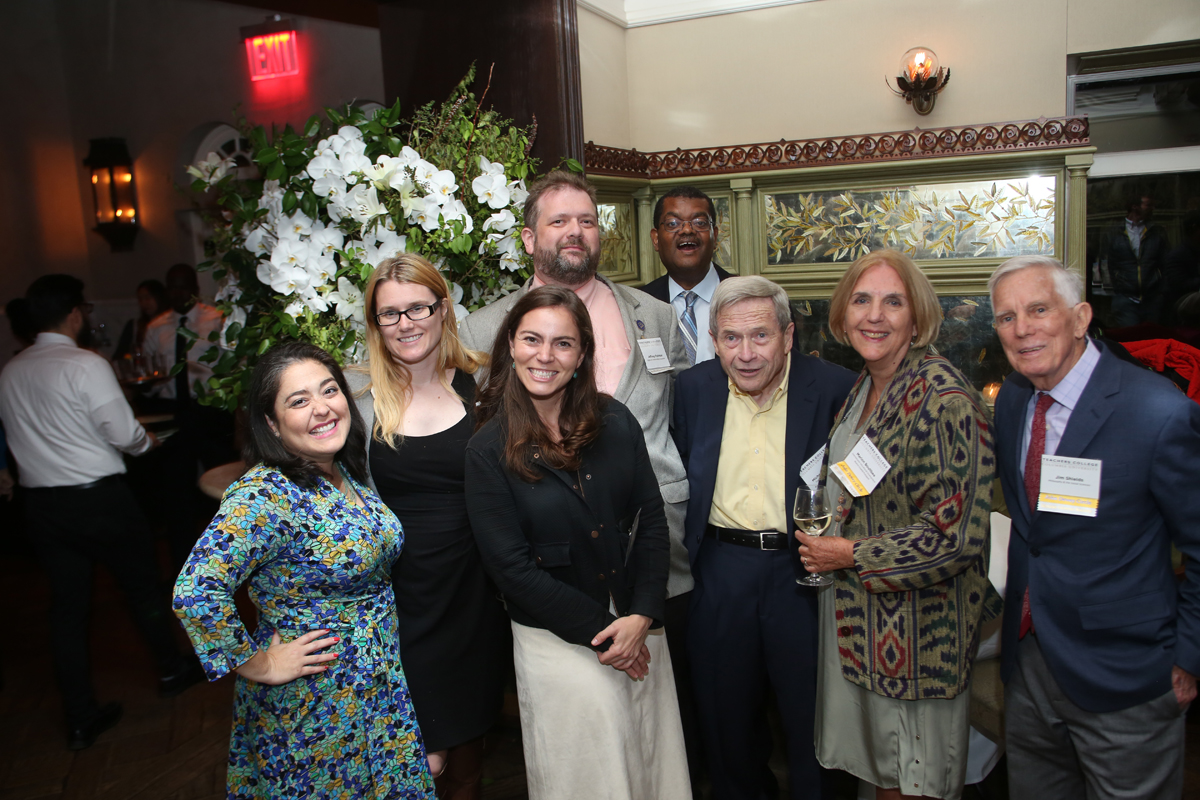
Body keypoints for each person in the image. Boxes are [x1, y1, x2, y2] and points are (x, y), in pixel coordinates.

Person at [457, 169, 702, 789]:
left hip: (656, 557)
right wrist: (605, 628)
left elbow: (681, 417)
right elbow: (506, 555)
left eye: (586, 220)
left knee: (659, 744)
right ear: (528, 236)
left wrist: (641, 612)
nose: (574, 232)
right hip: (558, 588)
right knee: (589, 759)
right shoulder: (480, 333)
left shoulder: (652, 316)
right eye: (559, 220)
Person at [173, 341, 435, 800]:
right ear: (272, 424)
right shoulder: (266, 494)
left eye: (329, 390)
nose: (321, 408)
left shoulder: (339, 471)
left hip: (375, 692)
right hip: (316, 707)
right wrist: (260, 664)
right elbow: (196, 591)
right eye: (299, 400)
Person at [989, 255, 1200, 799]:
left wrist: (1187, 660)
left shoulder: (1158, 412)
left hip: (1127, 674)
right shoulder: (1013, 398)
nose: (1022, 329)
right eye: (1006, 317)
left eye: (1039, 309)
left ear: (1080, 317)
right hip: (1031, 661)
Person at [794, 251, 997, 800]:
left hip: (917, 640)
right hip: (861, 629)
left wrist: (851, 556)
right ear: (842, 313)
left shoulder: (944, 400)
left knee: (909, 784)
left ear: (918, 316)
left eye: (893, 301)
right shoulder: (867, 386)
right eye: (861, 300)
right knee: (879, 781)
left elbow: (955, 538)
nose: (874, 316)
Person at [0, 275, 202, 750]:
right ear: (75, 314)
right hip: (98, 500)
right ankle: (172, 669)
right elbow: (123, 432)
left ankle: (80, 715)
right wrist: (147, 441)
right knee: (141, 587)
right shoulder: (84, 363)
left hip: (43, 507)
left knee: (66, 611)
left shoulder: (10, 371)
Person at [674, 275, 856, 800]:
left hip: (804, 571)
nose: (746, 353)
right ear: (714, 340)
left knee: (812, 720)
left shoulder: (835, 388)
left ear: (788, 336)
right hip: (721, 571)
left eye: (760, 337)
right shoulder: (693, 390)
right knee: (726, 723)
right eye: (731, 338)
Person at [347, 254, 509, 800]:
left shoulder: (484, 385)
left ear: (443, 310)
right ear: (375, 324)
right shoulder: (358, 401)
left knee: (466, 760)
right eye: (389, 314)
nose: (405, 323)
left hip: (473, 597)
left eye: (418, 307)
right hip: (398, 602)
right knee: (415, 761)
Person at [140, 263, 232, 567]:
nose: (177, 292)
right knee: (176, 492)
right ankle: (183, 564)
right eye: (172, 286)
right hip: (174, 413)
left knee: (222, 487)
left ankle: (230, 560)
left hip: (209, 412)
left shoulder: (216, 319)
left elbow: (231, 364)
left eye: (183, 285)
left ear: (194, 287)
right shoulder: (156, 327)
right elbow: (150, 371)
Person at [639, 185, 734, 366]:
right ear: (656, 239)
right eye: (673, 224)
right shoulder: (638, 305)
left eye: (700, 222)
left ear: (715, 235)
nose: (687, 230)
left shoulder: (753, 300)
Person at [1098, 195, 1169, 327]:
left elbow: (1165, 263)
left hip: (1152, 297)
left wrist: (1161, 291)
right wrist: (1115, 290)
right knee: (1130, 339)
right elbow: (1106, 263)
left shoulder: (1156, 231)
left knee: (1152, 339)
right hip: (1125, 297)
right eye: (1148, 205)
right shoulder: (1115, 232)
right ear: (1135, 206)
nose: (1152, 208)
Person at [113, 279, 169, 361]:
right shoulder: (134, 325)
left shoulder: (169, 324)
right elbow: (120, 354)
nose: (144, 303)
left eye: (147, 298)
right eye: (140, 299)